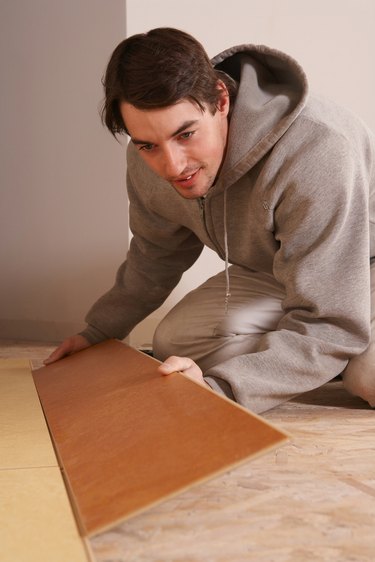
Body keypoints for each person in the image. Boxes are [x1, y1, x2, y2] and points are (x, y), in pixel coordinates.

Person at [45, 27, 375, 413]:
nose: (172, 166)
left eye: (185, 134)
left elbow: (330, 318)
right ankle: (315, 356)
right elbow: (156, 254)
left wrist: (221, 389)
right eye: (148, 145)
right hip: (283, 266)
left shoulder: (315, 150)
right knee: (176, 340)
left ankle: (334, 355)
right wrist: (99, 332)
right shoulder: (149, 154)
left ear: (220, 99)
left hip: (357, 264)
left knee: (366, 378)